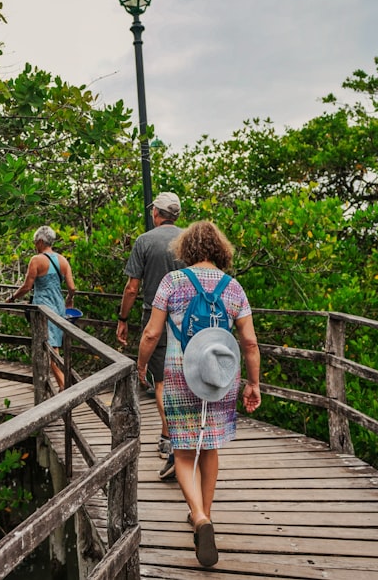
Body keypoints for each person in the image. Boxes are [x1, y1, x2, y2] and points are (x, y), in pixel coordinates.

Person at [136, 220, 262, 568]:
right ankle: (204, 514)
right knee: (210, 446)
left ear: (186, 249)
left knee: (182, 451)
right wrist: (253, 383)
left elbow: (151, 333)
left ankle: (199, 517)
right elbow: (249, 342)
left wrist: (141, 365)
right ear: (220, 249)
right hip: (220, 376)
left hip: (180, 374)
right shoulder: (233, 287)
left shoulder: (172, 282)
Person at [116, 191, 184, 478]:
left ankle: (168, 439)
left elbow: (132, 287)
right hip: (190, 318)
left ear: (156, 213)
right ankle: (186, 439)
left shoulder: (145, 241)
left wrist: (122, 319)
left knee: (162, 381)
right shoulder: (190, 239)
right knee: (184, 379)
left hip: (156, 317)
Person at [8, 226, 77, 390]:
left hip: (43, 306)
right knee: (55, 346)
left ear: (40, 241)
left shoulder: (36, 260)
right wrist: (69, 299)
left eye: (34, 242)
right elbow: (72, 288)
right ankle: (62, 384)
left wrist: (11, 298)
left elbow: (26, 287)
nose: (34, 245)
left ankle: (65, 385)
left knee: (49, 347)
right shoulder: (62, 260)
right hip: (58, 305)